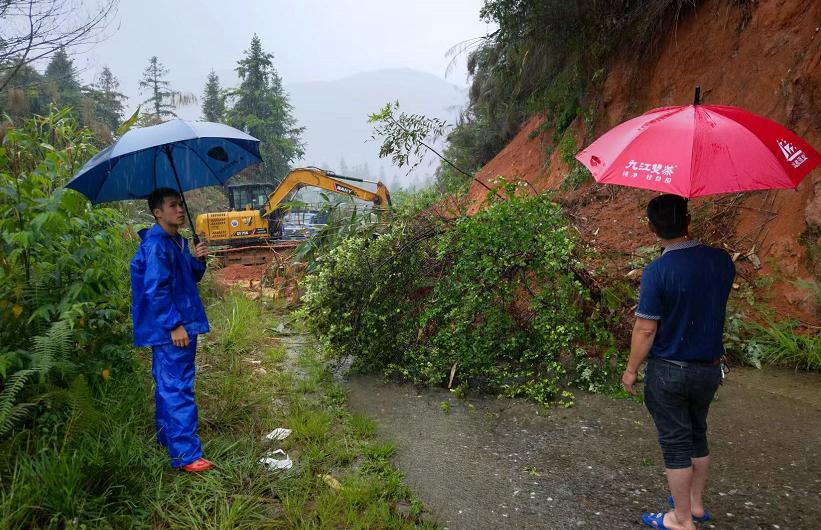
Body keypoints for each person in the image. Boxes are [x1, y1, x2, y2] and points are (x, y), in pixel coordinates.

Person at [621, 194, 735, 530]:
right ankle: (696, 506)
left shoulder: (658, 271)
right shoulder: (721, 261)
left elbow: (645, 328)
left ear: (651, 227)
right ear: (688, 219)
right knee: (697, 434)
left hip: (670, 371)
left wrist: (630, 370)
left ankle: (680, 519)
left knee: (675, 444)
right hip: (709, 369)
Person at [131, 187, 214, 472]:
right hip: (173, 329)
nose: (180, 209)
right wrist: (174, 324)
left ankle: (167, 438)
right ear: (157, 213)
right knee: (178, 387)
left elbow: (187, 278)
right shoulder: (157, 245)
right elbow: (156, 289)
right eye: (172, 205)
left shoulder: (176, 241)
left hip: (181, 322)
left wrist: (198, 260)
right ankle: (186, 455)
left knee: (169, 385)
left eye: (180, 204)